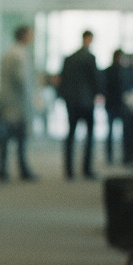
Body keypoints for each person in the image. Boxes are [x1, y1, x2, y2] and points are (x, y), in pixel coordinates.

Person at [0, 25, 36, 181]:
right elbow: (22, 81)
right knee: (21, 139)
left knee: (5, 140)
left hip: (7, 102)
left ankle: (2, 169)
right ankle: (23, 169)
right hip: (18, 104)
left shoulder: (8, 53)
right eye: (30, 35)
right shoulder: (19, 55)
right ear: (24, 36)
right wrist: (31, 100)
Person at [58, 30, 100, 180]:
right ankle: (86, 169)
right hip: (86, 102)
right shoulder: (89, 58)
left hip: (71, 101)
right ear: (89, 39)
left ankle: (69, 171)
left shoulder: (70, 58)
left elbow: (62, 79)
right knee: (89, 135)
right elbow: (95, 80)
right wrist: (97, 94)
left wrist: (64, 97)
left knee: (71, 134)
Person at [103, 49, 133, 165]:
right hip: (112, 104)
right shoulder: (109, 71)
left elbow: (132, 86)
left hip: (123, 105)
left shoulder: (126, 71)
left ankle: (126, 157)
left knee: (126, 132)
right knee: (110, 132)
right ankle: (109, 157)